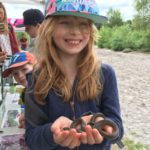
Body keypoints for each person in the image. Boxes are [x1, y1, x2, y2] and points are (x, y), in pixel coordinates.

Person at [24, 0, 124, 150]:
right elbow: (32, 138)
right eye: (65, 22)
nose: (75, 31)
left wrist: (106, 131)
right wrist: (53, 133)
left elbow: (117, 127)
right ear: (49, 28)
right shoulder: (36, 78)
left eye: (83, 24)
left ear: (91, 30)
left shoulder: (105, 74)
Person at [3, 51, 36, 128]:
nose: (20, 76)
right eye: (15, 73)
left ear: (36, 66)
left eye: (24, 69)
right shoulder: (26, 93)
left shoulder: (48, 90)